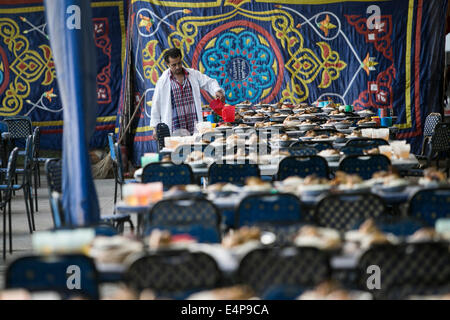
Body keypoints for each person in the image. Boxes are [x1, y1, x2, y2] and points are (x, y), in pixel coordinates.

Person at [150, 48, 225, 135]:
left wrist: (217, 90)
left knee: (196, 147)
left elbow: (209, 82)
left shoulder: (192, 74)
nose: (178, 67)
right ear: (167, 64)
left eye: (179, 63)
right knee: (178, 147)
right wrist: (155, 127)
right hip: (175, 126)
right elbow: (156, 104)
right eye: (174, 65)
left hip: (193, 123)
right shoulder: (163, 81)